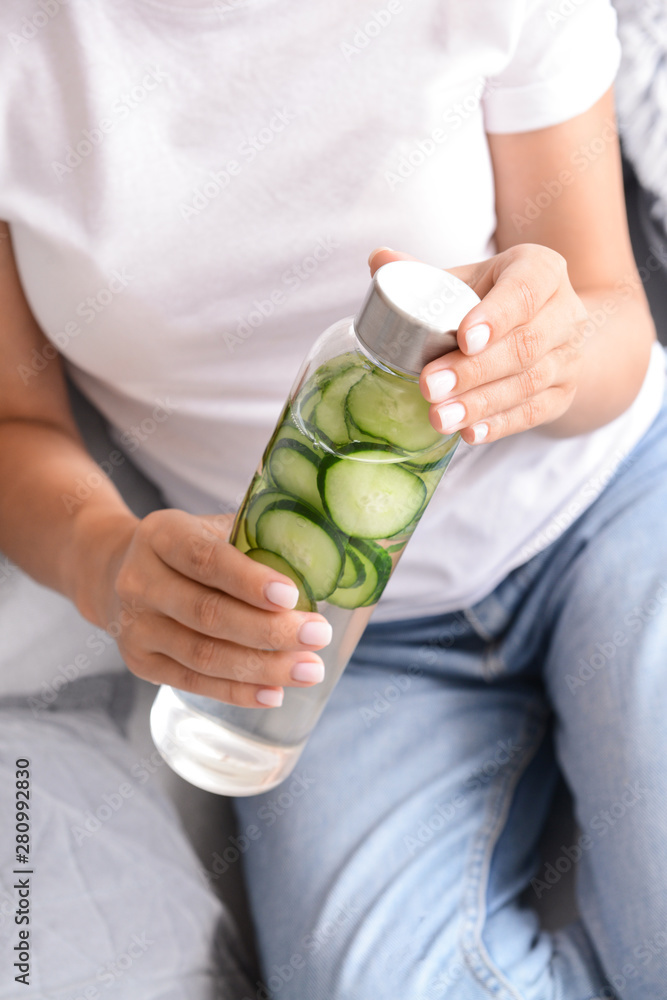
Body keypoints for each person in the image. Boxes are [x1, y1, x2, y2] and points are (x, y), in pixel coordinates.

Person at [0, 2, 665, 999]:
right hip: (329, 636)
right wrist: (108, 560)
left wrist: (552, 357)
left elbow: (611, 315)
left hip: (609, 504)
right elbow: (18, 421)